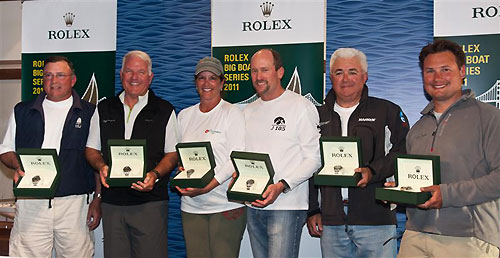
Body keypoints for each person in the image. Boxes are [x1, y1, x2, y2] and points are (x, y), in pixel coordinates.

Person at [395, 39, 500, 257]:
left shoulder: (490, 118)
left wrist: (447, 194)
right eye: (430, 71)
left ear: (462, 71)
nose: (437, 78)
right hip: (415, 234)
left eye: (445, 69)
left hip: (469, 237)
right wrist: (399, 189)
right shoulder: (418, 127)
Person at [306, 48, 409, 258]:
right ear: (330, 77)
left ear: (364, 77)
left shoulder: (386, 111)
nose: (345, 79)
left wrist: (372, 172)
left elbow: (403, 150)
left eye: (352, 72)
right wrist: (313, 210)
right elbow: (310, 163)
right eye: (339, 72)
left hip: (375, 217)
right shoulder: (316, 115)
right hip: (331, 220)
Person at [0, 56, 100, 257]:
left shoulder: (91, 112)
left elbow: (97, 157)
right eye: (48, 75)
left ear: (72, 80)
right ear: (43, 80)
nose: (54, 80)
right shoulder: (22, 110)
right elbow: (6, 151)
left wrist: (97, 199)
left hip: (75, 204)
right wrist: (18, 164)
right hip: (31, 201)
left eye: (60, 75)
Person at [85, 50, 179, 257]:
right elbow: (91, 149)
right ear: (121, 74)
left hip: (150, 203)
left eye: (140, 72)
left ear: (150, 77)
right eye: (129, 71)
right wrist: (101, 167)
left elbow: (172, 154)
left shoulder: (164, 110)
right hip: (112, 204)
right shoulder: (104, 108)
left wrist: (154, 175)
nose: (134, 77)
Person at [243, 48, 321, 258]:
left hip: (286, 206)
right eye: (254, 71)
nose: (258, 77)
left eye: (265, 70)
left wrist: (282, 185)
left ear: (280, 72)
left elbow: (314, 158)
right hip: (253, 204)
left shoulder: (300, 106)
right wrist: (238, 174)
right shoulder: (247, 111)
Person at [175, 56, 246, 257]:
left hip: (224, 204)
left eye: (213, 78)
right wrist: (183, 170)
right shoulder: (185, 115)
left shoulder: (232, 113)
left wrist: (208, 186)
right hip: (192, 206)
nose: (206, 84)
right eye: (201, 78)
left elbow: (234, 159)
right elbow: (181, 156)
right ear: (195, 82)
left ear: (222, 83)